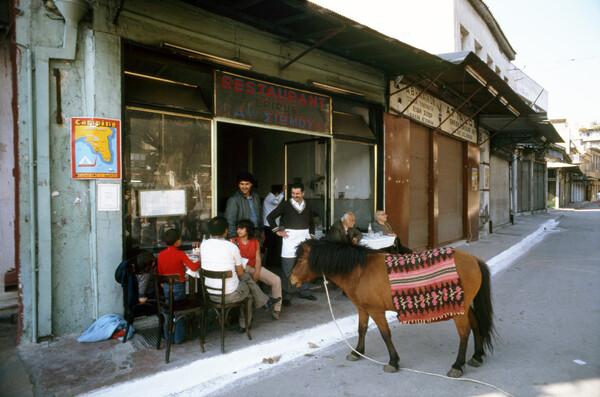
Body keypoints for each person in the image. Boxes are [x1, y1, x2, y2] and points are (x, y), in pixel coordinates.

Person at [201, 216, 280, 332]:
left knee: (245, 278)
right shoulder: (232, 247)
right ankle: (244, 325)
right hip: (230, 295)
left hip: (210, 295)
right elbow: (239, 272)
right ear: (226, 231)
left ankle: (265, 301)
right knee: (247, 292)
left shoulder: (204, 245)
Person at [267, 182, 316, 305]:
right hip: (289, 240)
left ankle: (304, 292)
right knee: (287, 269)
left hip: (304, 240)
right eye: (293, 193)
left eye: (297, 193)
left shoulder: (308, 205)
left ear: (303, 193)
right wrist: (277, 231)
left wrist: (311, 236)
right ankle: (286, 295)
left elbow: (312, 223)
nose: (295, 196)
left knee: (304, 267)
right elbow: (270, 217)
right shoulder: (285, 204)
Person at [231, 219, 283, 320]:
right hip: (242, 271)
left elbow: (258, 259)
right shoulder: (233, 241)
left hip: (255, 268)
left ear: (248, 230)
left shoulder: (255, 242)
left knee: (276, 280)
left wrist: (257, 273)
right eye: (237, 229)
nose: (239, 231)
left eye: (241, 228)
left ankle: (277, 309)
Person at [156, 229, 201, 344]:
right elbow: (194, 267)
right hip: (179, 287)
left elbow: (159, 272)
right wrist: (200, 259)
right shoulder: (180, 253)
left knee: (169, 310)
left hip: (166, 287)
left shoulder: (161, 254)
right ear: (178, 241)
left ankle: (168, 338)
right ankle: (178, 338)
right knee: (179, 311)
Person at [225, 172, 264, 242]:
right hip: (241, 234)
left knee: (257, 252)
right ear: (238, 185)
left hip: (256, 232)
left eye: (247, 184)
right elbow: (230, 221)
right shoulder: (234, 200)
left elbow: (260, 214)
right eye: (242, 184)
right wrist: (234, 238)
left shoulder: (255, 196)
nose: (244, 187)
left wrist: (262, 231)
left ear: (251, 184)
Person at [263, 184, 284, 268]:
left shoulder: (270, 197)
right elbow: (277, 201)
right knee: (272, 246)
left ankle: (273, 264)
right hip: (269, 225)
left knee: (274, 245)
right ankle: (271, 265)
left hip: (272, 225)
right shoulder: (270, 197)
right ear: (276, 193)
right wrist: (283, 192)